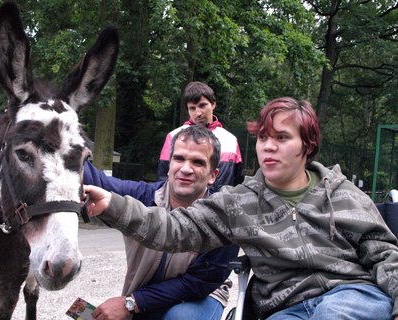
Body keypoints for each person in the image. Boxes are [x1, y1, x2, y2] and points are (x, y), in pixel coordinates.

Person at [84, 97, 398, 320]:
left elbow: (385, 255)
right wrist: (113, 205)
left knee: (332, 314)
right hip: (286, 309)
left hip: (351, 296)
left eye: (282, 137)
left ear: (308, 146)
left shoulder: (345, 194)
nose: (268, 146)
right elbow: (173, 229)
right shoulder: (239, 202)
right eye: (263, 138)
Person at [83, 125, 239, 320]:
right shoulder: (144, 196)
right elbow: (97, 181)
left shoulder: (225, 217)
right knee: (84, 315)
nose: (185, 168)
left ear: (213, 175)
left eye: (198, 162)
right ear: (169, 164)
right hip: (143, 293)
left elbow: (195, 284)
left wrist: (132, 303)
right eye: (179, 158)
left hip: (199, 297)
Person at [157, 81, 244, 192]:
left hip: (220, 206)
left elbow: (237, 182)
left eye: (202, 106)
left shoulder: (230, 140)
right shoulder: (173, 136)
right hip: (181, 207)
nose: (198, 113)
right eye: (192, 108)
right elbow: (163, 179)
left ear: (213, 104)